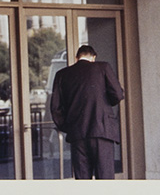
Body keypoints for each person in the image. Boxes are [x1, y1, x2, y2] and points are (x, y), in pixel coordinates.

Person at [50, 44, 125, 179]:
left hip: (77, 133)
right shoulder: (103, 68)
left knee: (82, 180)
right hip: (102, 131)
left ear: (76, 58)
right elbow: (118, 94)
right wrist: (105, 102)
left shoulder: (62, 74)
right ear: (93, 57)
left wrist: (68, 127)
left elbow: (55, 107)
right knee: (105, 178)